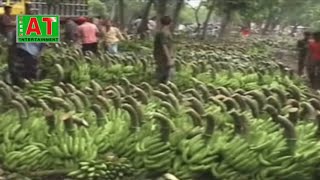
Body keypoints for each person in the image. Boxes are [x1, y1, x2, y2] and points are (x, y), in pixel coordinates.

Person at [153, 16, 175, 84]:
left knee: (164, 72)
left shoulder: (163, 32)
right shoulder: (164, 33)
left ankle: (162, 85)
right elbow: (164, 46)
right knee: (164, 74)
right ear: (170, 23)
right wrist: (169, 59)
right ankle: (161, 86)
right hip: (163, 56)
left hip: (162, 55)